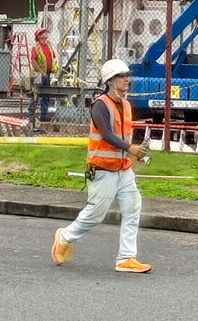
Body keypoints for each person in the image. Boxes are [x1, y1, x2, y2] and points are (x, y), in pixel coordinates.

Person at [51, 59, 151, 274]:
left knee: (133, 208)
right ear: (111, 81)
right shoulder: (100, 105)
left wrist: (133, 154)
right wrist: (131, 148)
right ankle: (64, 237)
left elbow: (123, 135)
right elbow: (106, 134)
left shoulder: (125, 105)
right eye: (122, 76)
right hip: (103, 168)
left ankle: (126, 258)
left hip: (123, 168)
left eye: (126, 75)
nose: (127, 79)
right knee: (96, 213)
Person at [26, 27, 58, 125]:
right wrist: (40, 72)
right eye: (42, 33)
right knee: (35, 94)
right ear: (38, 36)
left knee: (46, 94)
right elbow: (33, 61)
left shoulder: (49, 46)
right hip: (38, 75)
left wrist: (55, 70)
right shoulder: (36, 47)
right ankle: (31, 114)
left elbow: (53, 59)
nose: (45, 34)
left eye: (45, 33)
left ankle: (44, 115)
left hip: (47, 74)